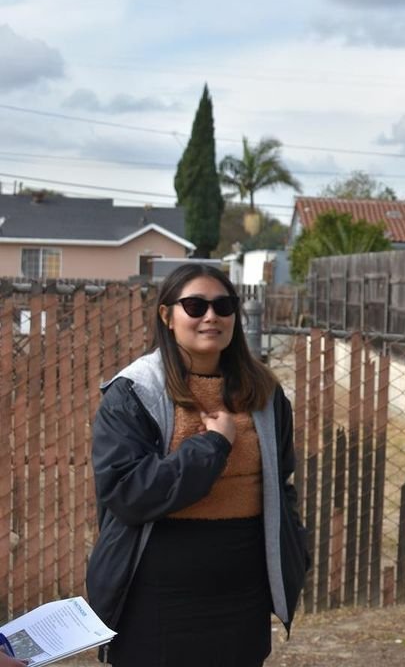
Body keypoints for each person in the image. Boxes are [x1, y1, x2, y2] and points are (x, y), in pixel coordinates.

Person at [86, 264, 310, 667]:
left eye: (224, 306)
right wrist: (212, 446)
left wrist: (296, 545)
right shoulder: (134, 392)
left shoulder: (265, 394)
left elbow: (281, 481)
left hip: (242, 595)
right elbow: (127, 492)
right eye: (195, 306)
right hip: (155, 598)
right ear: (167, 315)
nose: (211, 316)